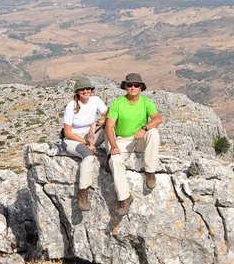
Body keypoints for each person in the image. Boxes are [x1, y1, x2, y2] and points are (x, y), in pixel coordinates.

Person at [106, 73, 162, 215]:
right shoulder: (117, 103)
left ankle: (150, 172)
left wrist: (144, 128)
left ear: (141, 88)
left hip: (140, 138)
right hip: (123, 140)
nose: (132, 87)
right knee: (115, 160)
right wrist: (113, 146)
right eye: (130, 85)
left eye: (136, 85)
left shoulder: (146, 102)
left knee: (153, 132)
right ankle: (124, 198)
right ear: (125, 87)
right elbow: (109, 126)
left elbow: (157, 119)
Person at [61, 77, 108, 211]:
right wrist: (87, 143)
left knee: (109, 126)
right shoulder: (72, 105)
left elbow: (110, 115)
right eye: (82, 89)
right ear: (77, 91)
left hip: (90, 136)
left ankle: (112, 157)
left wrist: (97, 123)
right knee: (88, 156)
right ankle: (83, 193)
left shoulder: (95, 100)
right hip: (73, 139)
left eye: (88, 88)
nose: (86, 91)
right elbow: (68, 132)